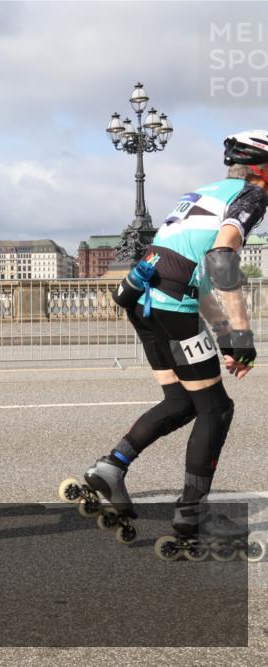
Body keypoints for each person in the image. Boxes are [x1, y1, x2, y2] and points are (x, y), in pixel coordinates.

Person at [87, 130, 267, 543]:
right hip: (169, 304)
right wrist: (241, 336)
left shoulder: (202, 192)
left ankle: (111, 468)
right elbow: (221, 261)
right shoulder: (252, 196)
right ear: (261, 169)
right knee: (215, 409)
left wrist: (224, 337)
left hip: (139, 294)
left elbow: (195, 275)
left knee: (180, 401)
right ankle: (191, 513)